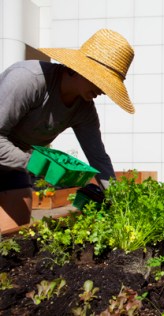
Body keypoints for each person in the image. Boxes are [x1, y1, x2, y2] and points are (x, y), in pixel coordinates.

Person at [0, 29, 135, 232]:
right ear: (81, 70)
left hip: (13, 166)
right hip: (18, 159)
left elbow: (98, 157)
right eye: (102, 81)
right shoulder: (29, 79)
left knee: (12, 241)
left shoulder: (84, 109)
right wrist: (41, 165)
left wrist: (117, 201)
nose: (103, 91)